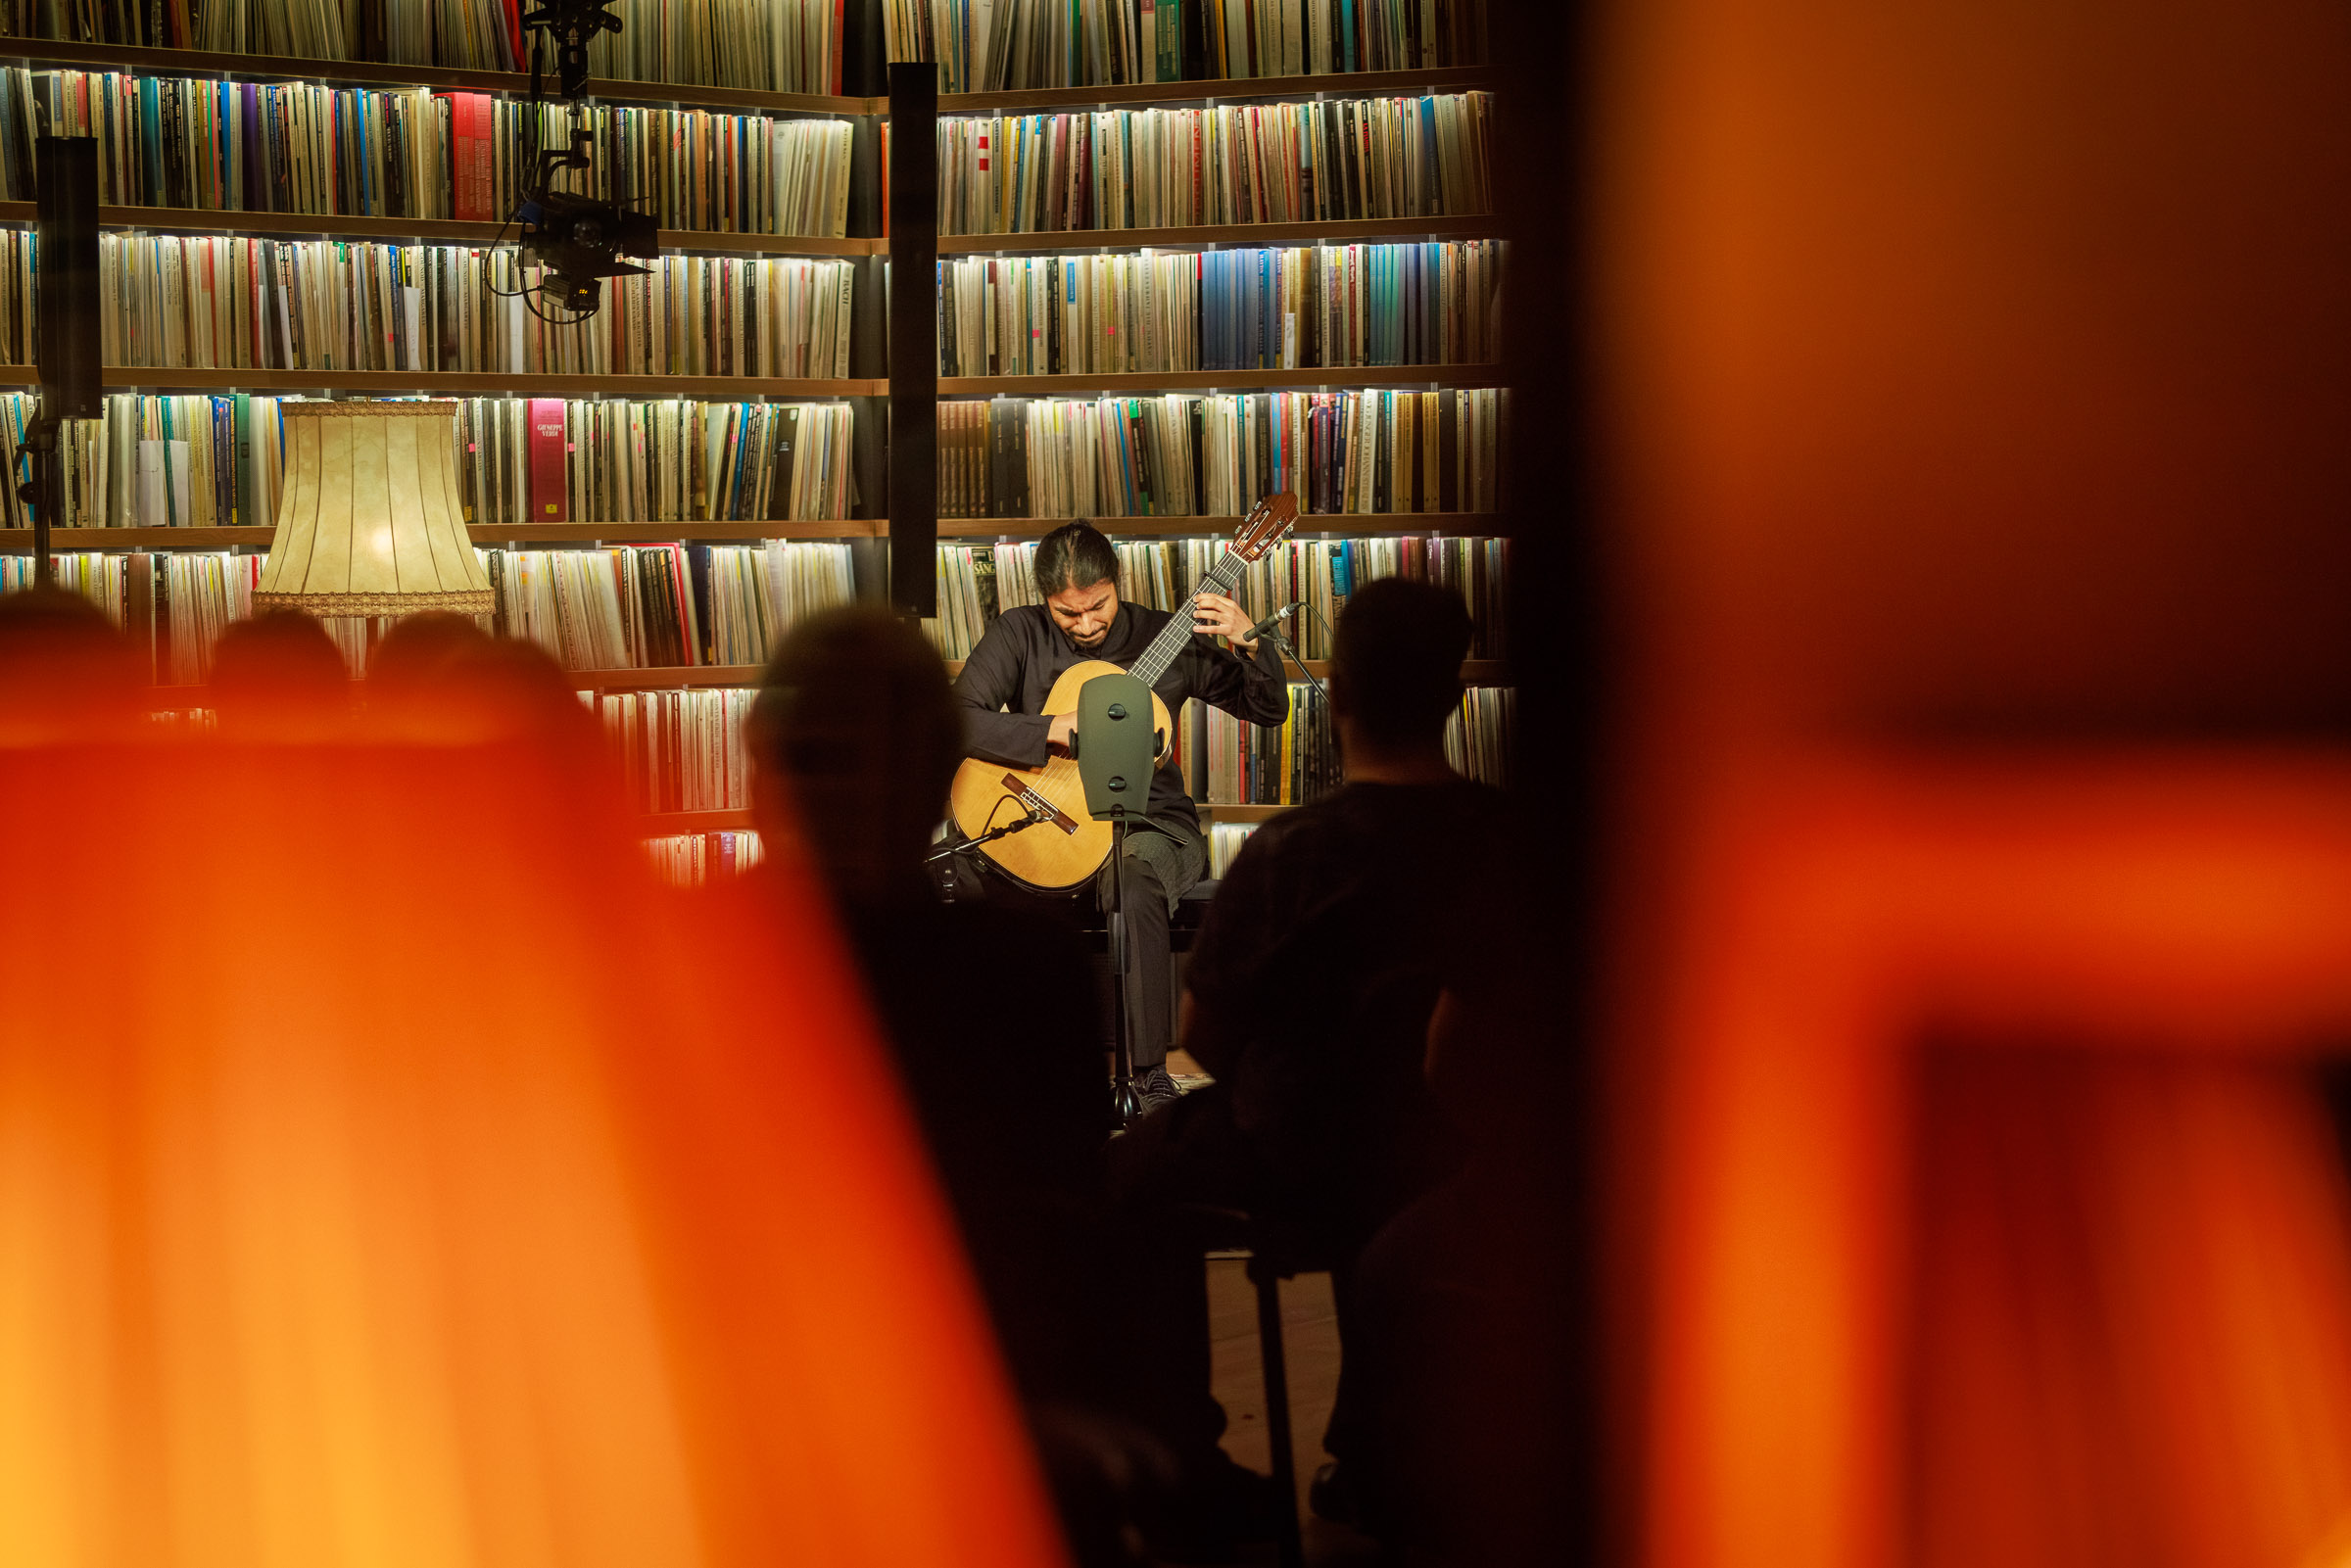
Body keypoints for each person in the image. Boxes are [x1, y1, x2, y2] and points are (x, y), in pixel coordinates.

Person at [1108, 575, 1531, 1546]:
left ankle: (1186, 1459)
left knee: (1125, 1185)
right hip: (1458, 1164)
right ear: (1453, 695)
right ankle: (1385, 1441)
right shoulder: (1510, 838)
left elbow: (1204, 1039)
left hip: (1293, 1162)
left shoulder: (1290, 850)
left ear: (1335, 692)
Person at [739, 607, 1164, 1564]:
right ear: (947, 776)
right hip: (983, 1422)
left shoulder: (679, 960)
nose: (848, 791)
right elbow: (1065, 1222)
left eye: (859, 760)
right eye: (825, 759)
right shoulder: (1028, 967)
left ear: (759, 765)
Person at [951, 521, 1289, 1111]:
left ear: (1117, 582)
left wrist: (1253, 644)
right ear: (1044, 599)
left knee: (1133, 882)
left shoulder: (1168, 636)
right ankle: (987, 1072)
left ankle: (1148, 1076)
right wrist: (1050, 728)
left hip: (1150, 822)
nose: (1085, 624)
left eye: (1098, 606)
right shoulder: (1020, 632)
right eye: (1067, 613)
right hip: (1047, 816)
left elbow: (1269, 709)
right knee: (957, 872)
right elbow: (955, 716)